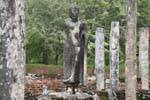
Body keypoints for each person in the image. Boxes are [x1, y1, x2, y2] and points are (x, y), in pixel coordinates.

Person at [63, 4, 87, 94]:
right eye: (73, 10)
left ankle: (76, 85)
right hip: (69, 47)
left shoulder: (82, 23)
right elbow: (69, 33)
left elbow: (84, 35)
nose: (75, 12)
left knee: (77, 66)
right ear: (69, 12)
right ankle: (68, 85)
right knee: (68, 65)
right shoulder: (66, 22)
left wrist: (84, 39)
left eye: (76, 10)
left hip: (78, 47)